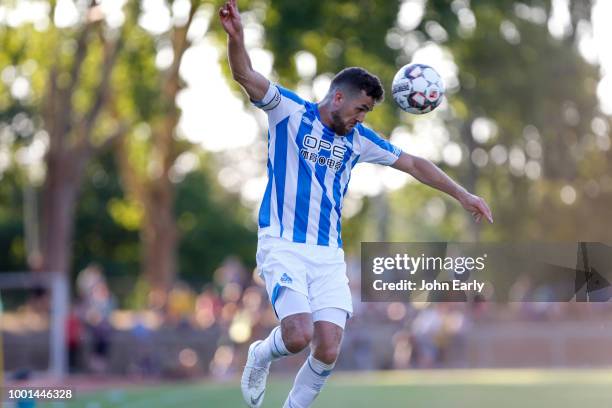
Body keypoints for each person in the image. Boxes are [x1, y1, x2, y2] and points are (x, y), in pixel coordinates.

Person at [219, 1, 493, 407]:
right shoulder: (289, 112)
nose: (362, 118)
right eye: (361, 108)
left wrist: (464, 195)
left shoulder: (359, 140)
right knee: (297, 335)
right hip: (282, 243)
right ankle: (261, 354)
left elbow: (415, 163)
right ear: (338, 97)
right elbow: (245, 75)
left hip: (328, 253)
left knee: (327, 348)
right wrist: (237, 38)